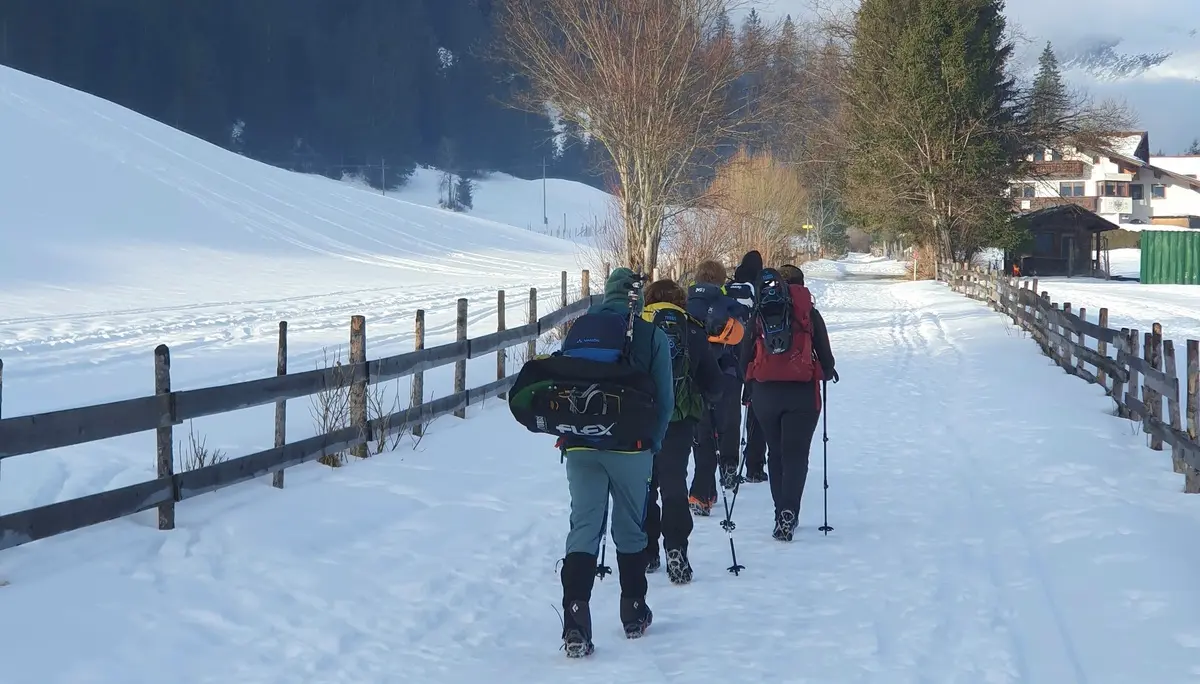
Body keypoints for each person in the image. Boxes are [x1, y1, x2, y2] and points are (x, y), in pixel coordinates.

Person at [557, 268, 674, 657]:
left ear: (607, 294)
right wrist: (653, 444)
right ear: (637, 298)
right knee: (630, 528)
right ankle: (633, 610)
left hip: (580, 445)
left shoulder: (580, 329)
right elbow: (666, 400)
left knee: (583, 528)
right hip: (630, 447)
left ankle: (575, 619)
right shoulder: (651, 335)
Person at [742, 265, 838, 542]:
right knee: (796, 455)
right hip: (802, 395)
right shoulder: (809, 313)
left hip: (765, 395)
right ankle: (789, 511)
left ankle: (779, 513)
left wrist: (750, 384)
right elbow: (827, 360)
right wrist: (825, 370)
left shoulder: (759, 313)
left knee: (775, 453)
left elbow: (744, 357)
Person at [640, 278, 724, 583]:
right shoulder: (693, 329)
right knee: (673, 485)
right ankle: (676, 548)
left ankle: (647, 551)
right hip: (678, 421)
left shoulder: (636, 327)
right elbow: (714, 384)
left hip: (641, 420)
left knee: (643, 487)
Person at [685, 259, 752, 514]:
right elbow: (743, 338)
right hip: (726, 374)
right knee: (727, 424)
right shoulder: (729, 304)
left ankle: (703, 493)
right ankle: (727, 467)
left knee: (702, 434)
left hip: (694, 378)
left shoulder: (685, 304)